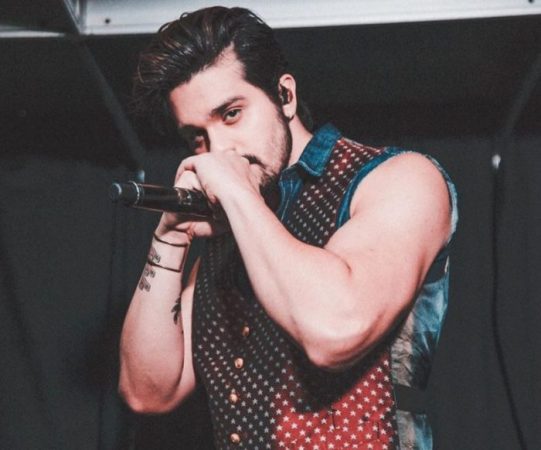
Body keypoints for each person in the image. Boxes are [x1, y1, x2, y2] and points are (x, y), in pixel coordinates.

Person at [119, 6, 458, 450]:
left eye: (231, 114)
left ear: (285, 96)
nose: (218, 150)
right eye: (196, 137)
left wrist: (236, 193)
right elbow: (148, 392)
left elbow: (336, 332)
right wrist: (170, 237)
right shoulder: (232, 229)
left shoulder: (399, 178)